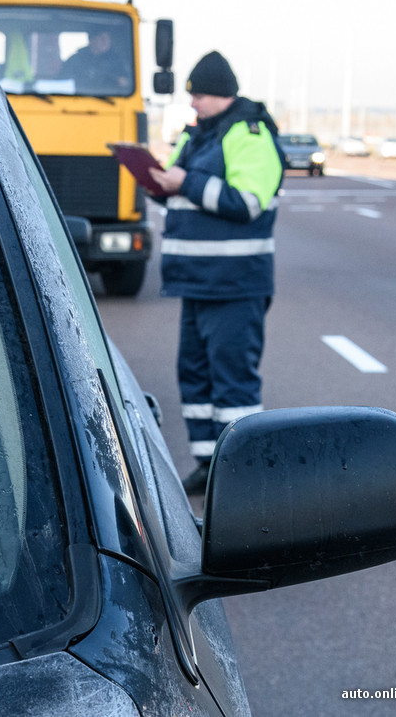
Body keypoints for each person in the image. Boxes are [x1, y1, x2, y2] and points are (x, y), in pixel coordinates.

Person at [147, 51, 284, 496]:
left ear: (222, 94)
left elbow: (246, 202)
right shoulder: (198, 134)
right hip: (197, 281)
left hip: (234, 284)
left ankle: (242, 477)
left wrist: (183, 182)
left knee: (233, 385)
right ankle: (210, 466)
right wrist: (157, 182)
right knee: (196, 378)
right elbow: (180, 189)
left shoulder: (249, 133)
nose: (193, 103)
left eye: (199, 95)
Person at [59, 29, 131, 93]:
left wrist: (110, 78)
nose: (106, 42)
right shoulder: (75, 59)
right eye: (102, 39)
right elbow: (62, 79)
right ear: (92, 40)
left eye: (108, 39)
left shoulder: (116, 61)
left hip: (109, 99)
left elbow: (126, 82)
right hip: (76, 98)